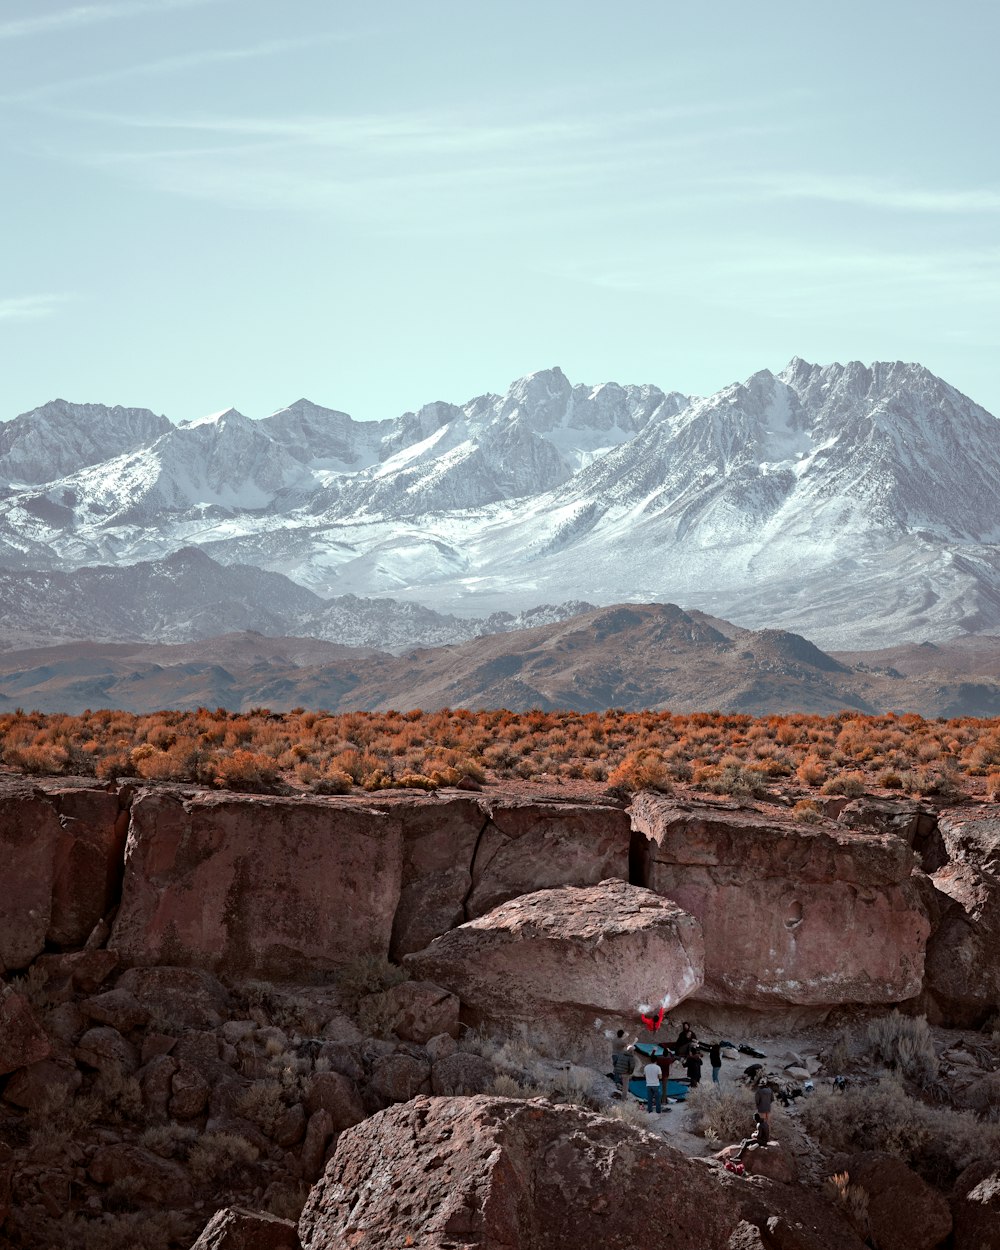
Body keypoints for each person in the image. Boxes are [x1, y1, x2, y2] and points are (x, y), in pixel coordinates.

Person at [611, 1030, 634, 1099]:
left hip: (613, 1054)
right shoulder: (621, 1041)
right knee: (619, 1069)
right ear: (622, 1035)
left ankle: (616, 1080)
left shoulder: (614, 1039)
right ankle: (617, 1082)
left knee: (615, 1068)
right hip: (618, 1055)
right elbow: (628, 1046)